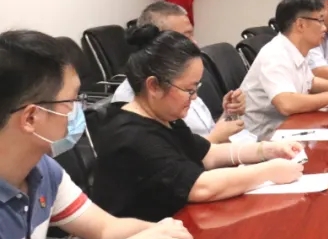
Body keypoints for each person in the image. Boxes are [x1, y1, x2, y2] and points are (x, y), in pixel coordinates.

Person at [0, 30, 195, 239]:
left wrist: (162, 234)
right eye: (71, 102)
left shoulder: (42, 170)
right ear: (31, 117)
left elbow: (105, 228)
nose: (79, 111)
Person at [93, 27, 307, 221]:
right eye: (189, 90)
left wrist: (267, 150)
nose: (194, 97)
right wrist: (268, 172)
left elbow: (208, 153)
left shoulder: (164, 117)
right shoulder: (131, 135)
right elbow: (200, 187)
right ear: (154, 86)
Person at [113, 2, 245, 143]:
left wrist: (229, 114)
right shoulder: (132, 100)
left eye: (192, 34)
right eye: (184, 38)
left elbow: (208, 132)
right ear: (160, 42)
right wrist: (214, 139)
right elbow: (168, 153)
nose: (195, 43)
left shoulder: (180, 79)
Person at [240, 0, 328, 139]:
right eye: (320, 21)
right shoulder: (275, 54)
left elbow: (310, 82)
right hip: (259, 139)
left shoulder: (297, 49)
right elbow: (286, 104)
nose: (324, 27)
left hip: (287, 130)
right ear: (301, 25)